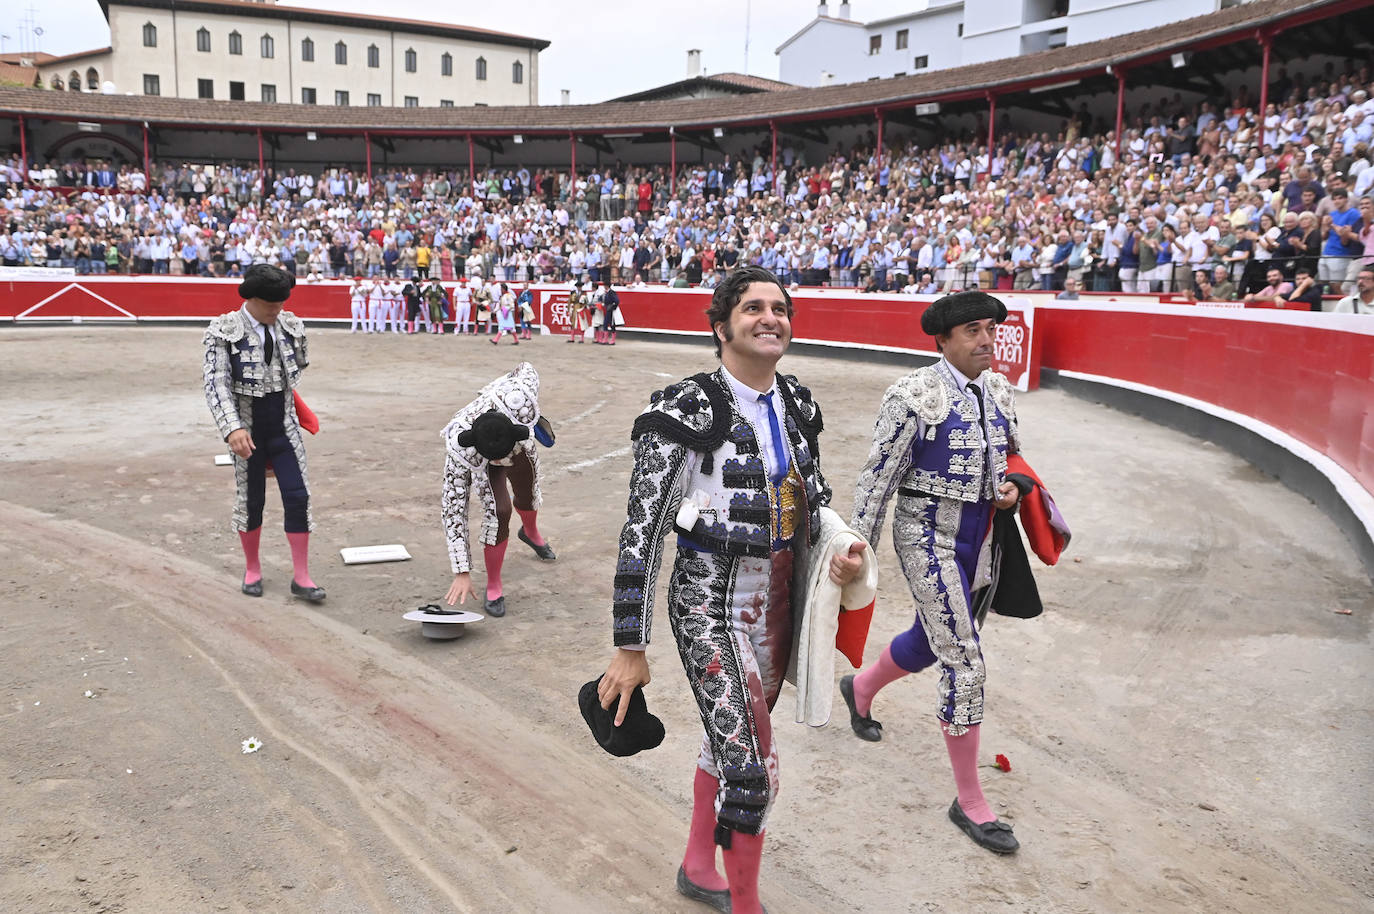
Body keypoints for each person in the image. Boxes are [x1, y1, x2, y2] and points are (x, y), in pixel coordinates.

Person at [596, 266, 862, 914]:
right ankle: (747, 907)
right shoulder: (681, 409)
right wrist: (629, 644)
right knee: (751, 770)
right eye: (752, 308)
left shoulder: (797, 403)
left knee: (729, 738)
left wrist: (839, 548)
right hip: (707, 601)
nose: (770, 317)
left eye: (779, 308)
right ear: (721, 327)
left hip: (775, 600)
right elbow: (643, 530)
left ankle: (697, 863)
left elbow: (807, 503)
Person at [842, 291, 1027, 855]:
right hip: (927, 534)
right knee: (965, 660)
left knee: (933, 642)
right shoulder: (913, 395)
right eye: (972, 330)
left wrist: (1015, 489)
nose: (987, 340)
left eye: (991, 328)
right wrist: (858, 551)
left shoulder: (997, 389)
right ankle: (970, 801)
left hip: (984, 538)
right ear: (943, 339)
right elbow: (877, 479)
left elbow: (1015, 456)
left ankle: (861, 688)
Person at [202, 263, 325, 603]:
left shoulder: (289, 325)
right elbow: (216, 384)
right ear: (252, 299)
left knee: (298, 497)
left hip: (283, 427)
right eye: (271, 306)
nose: (277, 311)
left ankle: (302, 577)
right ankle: (252, 568)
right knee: (251, 500)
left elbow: (293, 374)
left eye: (281, 305)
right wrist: (232, 428)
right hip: (247, 430)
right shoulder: (223, 330)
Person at [440, 362, 556, 618]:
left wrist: (497, 388)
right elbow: (453, 511)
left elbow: (525, 367)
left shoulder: (520, 396)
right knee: (499, 511)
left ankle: (530, 531)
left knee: (527, 490)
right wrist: (462, 572)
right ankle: (494, 586)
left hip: (518, 443)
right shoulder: (460, 449)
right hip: (483, 462)